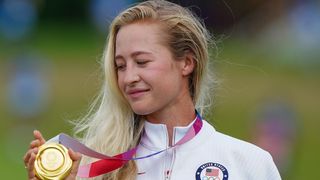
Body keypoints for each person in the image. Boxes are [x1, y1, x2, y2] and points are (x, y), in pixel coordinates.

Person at [23, 0, 281, 179]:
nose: (129, 77)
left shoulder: (248, 163)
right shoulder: (98, 169)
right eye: (120, 65)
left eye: (142, 62)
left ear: (187, 62)